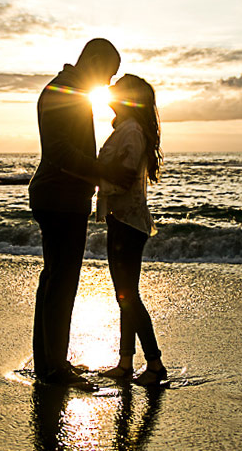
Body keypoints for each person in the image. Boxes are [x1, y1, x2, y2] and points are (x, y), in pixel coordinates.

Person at [29, 38, 132, 387]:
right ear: (95, 59)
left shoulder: (68, 90)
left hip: (60, 195)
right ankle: (53, 369)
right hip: (59, 197)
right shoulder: (63, 91)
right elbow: (59, 152)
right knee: (61, 281)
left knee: (54, 280)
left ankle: (48, 364)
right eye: (109, 73)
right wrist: (105, 173)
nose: (107, 83)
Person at [96, 74, 166, 386]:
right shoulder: (127, 129)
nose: (110, 92)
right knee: (124, 295)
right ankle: (126, 363)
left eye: (117, 89)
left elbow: (124, 177)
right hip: (122, 219)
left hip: (128, 222)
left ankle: (154, 363)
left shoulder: (132, 132)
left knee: (128, 296)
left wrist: (88, 167)